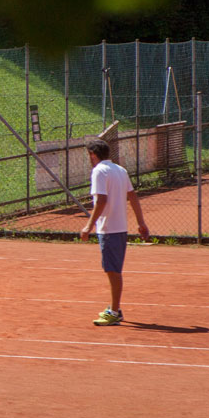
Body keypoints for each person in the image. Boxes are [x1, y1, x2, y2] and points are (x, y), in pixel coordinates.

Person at [79, 138, 150, 326]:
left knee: (112, 270)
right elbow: (133, 196)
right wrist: (141, 223)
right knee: (113, 270)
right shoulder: (120, 170)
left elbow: (101, 200)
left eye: (89, 155)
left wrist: (88, 226)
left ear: (93, 155)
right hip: (120, 228)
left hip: (109, 228)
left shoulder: (99, 171)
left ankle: (115, 311)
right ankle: (114, 308)